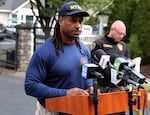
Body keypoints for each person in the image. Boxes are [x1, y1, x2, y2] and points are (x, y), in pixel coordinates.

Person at [24, 1, 93, 115]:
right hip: (52, 111)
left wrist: (90, 87)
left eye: (80, 21)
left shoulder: (84, 49)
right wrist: (65, 93)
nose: (78, 25)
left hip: (78, 109)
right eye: (73, 20)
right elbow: (30, 86)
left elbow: (87, 75)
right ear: (61, 20)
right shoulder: (45, 51)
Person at [91, 20, 130, 115]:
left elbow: (128, 61)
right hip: (104, 87)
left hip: (119, 88)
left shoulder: (123, 46)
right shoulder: (99, 44)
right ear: (112, 29)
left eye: (123, 34)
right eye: (120, 33)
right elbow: (94, 64)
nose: (121, 36)